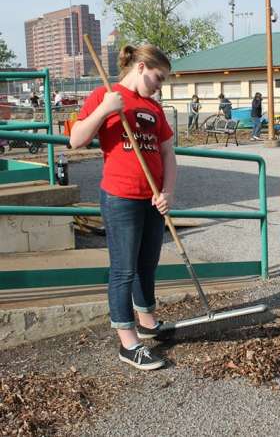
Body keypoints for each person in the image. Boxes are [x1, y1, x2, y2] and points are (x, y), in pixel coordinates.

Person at [70, 43, 176, 371]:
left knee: (147, 264)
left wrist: (167, 192)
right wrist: (104, 109)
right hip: (121, 197)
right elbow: (76, 140)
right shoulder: (106, 95)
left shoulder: (153, 108)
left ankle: (147, 320)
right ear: (141, 66)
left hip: (152, 198)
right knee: (123, 269)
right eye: (158, 77)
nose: (160, 85)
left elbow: (168, 154)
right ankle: (128, 342)